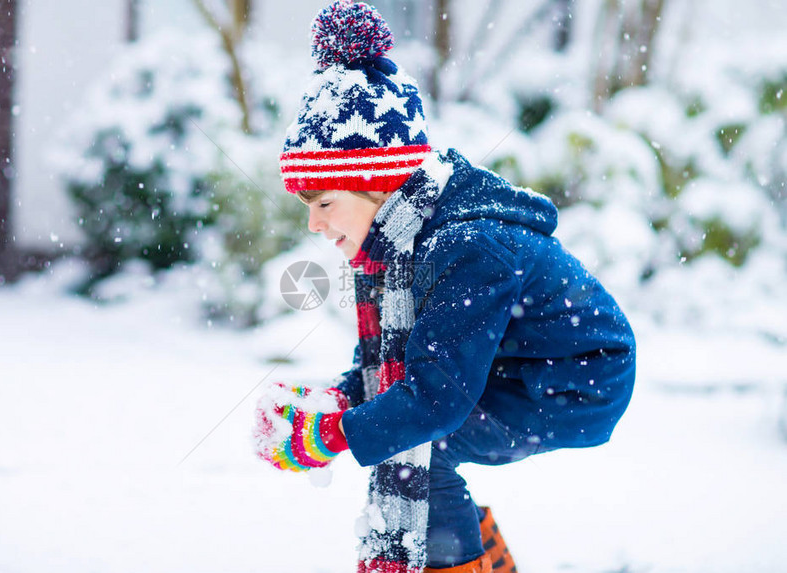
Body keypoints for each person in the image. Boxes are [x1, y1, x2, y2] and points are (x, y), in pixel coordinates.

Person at [253, 2, 636, 573]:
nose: (314, 223)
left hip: (577, 376)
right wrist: (335, 401)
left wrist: (330, 435)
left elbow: (434, 399)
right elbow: (390, 360)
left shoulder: (465, 247)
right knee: (415, 437)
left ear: (377, 184)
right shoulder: (399, 241)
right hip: (516, 363)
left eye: (324, 202)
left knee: (422, 445)